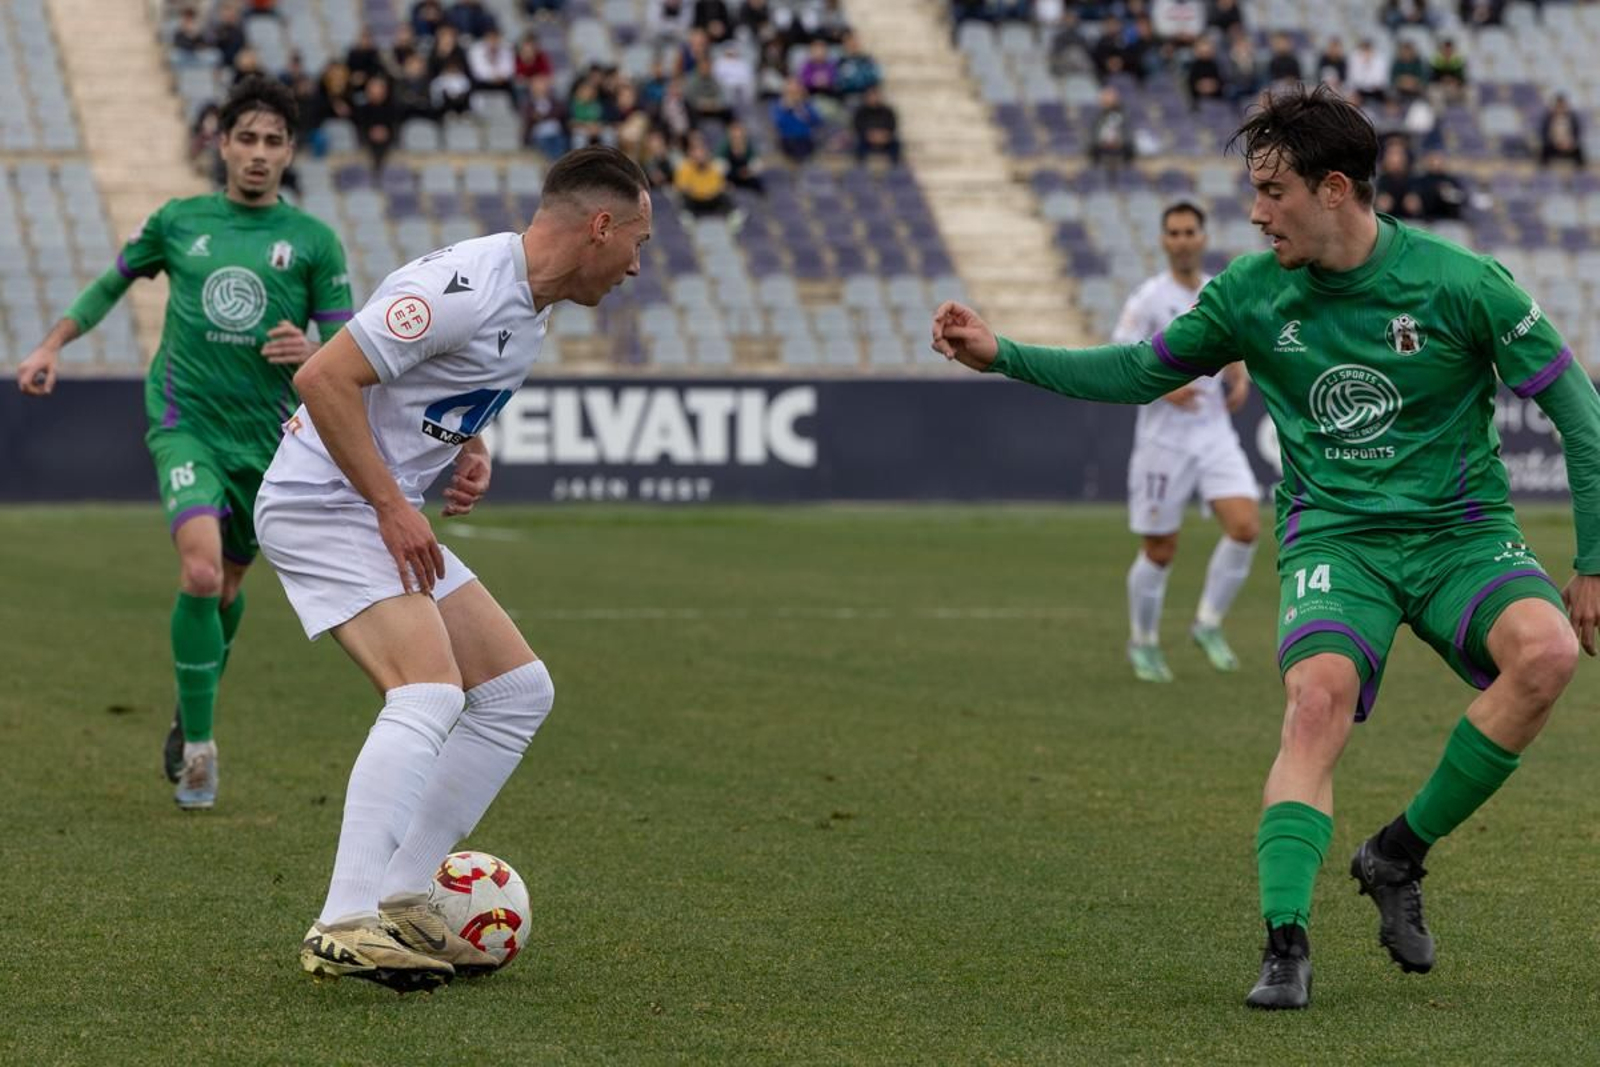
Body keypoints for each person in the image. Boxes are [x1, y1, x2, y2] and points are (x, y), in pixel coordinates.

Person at [930, 84, 1600, 1012]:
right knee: (1314, 700)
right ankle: (1286, 942)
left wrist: (1594, 561)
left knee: (1549, 654)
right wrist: (1003, 352)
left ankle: (1396, 854)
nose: (1253, 212)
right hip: (1336, 539)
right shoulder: (1249, 292)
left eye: (1272, 190)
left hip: (1461, 535)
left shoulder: (1463, 282)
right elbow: (1135, 371)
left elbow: (1580, 413)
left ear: (1334, 189)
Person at [257, 145, 652, 991]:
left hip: (369, 507)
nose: (637, 265)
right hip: (324, 505)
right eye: (638, 242)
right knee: (429, 690)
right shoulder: (463, 284)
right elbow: (324, 377)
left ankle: (403, 892)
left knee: (516, 690)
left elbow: (425, 389)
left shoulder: (532, 305)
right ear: (600, 225)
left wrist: (468, 445)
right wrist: (396, 506)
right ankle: (344, 920)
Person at [14, 76, 353, 810]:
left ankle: (187, 712)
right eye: (247, 139)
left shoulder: (314, 241)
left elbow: (349, 346)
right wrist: (51, 344)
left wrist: (311, 353)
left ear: (290, 151)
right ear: (221, 144)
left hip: (268, 441)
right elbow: (110, 282)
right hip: (185, 422)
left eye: (273, 141)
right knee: (201, 576)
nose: (259, 154)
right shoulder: (178, 220)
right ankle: (201, 750)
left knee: (229, 588)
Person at [1111, 202, 1258, 683]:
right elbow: (1121, 351)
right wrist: (1163, 385)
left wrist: (1238, 374)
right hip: (1163, 441)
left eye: (1189, 231)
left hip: (1213, 431)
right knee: (1160, 549)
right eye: (1172, 232)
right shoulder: (1150, 297)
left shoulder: (1219, 290)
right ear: (1163, 240)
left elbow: (1234, 339)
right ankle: (1143, 641)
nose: (1181, 240)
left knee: (1245, 527)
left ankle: (1208, 623)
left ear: (1202, 236)